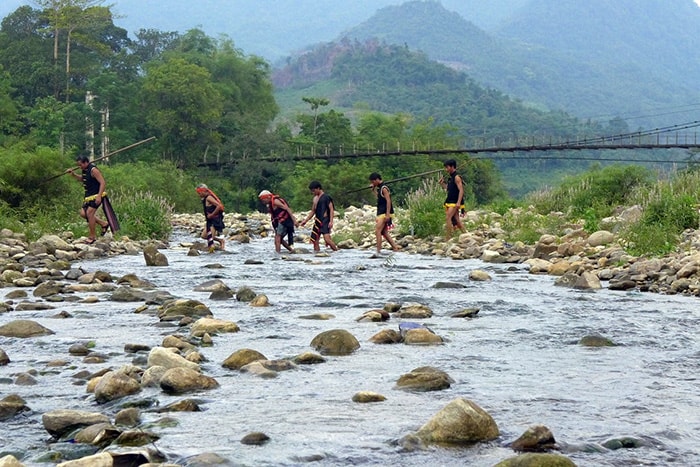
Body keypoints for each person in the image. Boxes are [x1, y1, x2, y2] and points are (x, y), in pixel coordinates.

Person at [67, 154, 110, 244]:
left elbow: (103, 182)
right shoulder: (84, 170)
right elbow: (84, 179)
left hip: (97, 195)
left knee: (90, 213)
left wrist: (99, 196)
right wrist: (73, 175)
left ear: (86, 162)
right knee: (83, 213)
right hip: (88, 196)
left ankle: (92, 236)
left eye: (81, 165)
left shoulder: (94, 170)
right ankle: (103, 224)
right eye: (78, 165)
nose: (79, 167)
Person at [300, 181, 338, 252]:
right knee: (315, 240)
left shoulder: (326, 197)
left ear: (318, 188)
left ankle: (336, 251)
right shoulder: (315, 199)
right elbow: (313, 211)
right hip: (317, 220)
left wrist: (331, 221)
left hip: (325, 220)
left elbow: (331, 209)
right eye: (312, 191)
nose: (313, 192)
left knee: (327, 239)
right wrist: (306, 220)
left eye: (314, 190)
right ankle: (317, 254)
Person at [368, 172, 401, 254]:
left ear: (377, 180)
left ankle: (378, 251)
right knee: (384, 232)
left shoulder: (384, 188)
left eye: (373, 182)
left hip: (385, 213)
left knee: (377, 231)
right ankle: (395, 247)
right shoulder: (380, 189)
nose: (372, 183)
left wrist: (387, 214)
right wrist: (373, 190)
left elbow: (388, 201)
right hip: (381, 212)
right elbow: (379, 198)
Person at [439, 159, 466, 240]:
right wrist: (442, 184)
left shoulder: (457, 177)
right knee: (457, 220)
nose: (446, 169)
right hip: (450, 200)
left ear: (452, 167)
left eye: (447, 167)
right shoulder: (450, 178)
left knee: (448, 217)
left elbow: (461, 190)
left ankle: (448, 237)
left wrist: (458, 202)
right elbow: (448, 188)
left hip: (455, 202)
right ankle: (466, 235)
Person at [196, 184, 225, 253]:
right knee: (203, 236)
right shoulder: (205, 198)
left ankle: (220, 247)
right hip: (209, 220)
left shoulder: (209, 197)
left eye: (199, 193)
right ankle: (220, 240)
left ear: (203, 191)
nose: (198, 194)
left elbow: (219, 206)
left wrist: (211, 215)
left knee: (210, 237)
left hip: (214, 220)